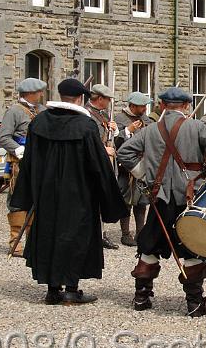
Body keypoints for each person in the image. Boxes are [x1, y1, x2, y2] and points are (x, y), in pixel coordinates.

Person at [117, 87, 206, 317]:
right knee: (191, 247)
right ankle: (195, 303)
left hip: (159, 197)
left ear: (161, 105)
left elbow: (124, 152)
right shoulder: (196, 126)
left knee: (150, 244)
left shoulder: (150, 129)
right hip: (188, 198)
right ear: (186, 106)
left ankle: (141, 298)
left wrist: (144, 176)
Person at [11, 78, 129, 305]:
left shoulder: (39, 122)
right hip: (79, 195)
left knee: (49, 235)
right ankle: (72, 289)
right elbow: (98, 164)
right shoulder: (85, 127)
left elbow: (30, 163)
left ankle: (52, 289)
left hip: (46, 194)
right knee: (76, 238)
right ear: (80, 98)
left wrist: (26, 195)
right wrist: (109, 199)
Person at [0, 77, 47, 257]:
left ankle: (32, 243)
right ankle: (16, 243)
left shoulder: (42, 110)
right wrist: (20, 150)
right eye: (39, 92)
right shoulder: (14, 111)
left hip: (39, 162)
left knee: (37, 201)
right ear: (30, 93)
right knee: (18, 201)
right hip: (20, 163)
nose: (41, 95)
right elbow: (4, 137)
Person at [114, 91, 154, 246]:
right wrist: (127, 131)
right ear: (133, 105)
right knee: (126, 201)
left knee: (142, 200)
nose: (145, 108)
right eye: (142, 106)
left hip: (143, 164)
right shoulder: (119, 119)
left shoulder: (146, 119)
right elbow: (115, 143)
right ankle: (125, 234)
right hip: (126, 166)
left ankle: (140, 233)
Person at [84, 84, 121, 250]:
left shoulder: (103, 114)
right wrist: (103, 149)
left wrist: (115, 129)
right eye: (107, 99)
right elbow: (87, 140)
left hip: (105, 161)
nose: (109, 102)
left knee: (102, 199)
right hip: (92, 163)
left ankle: (101, 234)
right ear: (99, 99)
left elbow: (112, 135)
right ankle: (92, 235)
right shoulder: (85, 114)